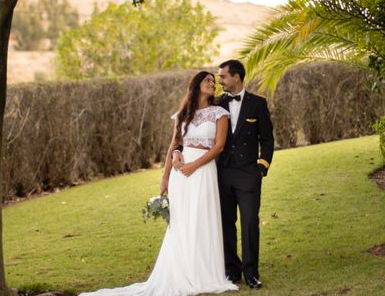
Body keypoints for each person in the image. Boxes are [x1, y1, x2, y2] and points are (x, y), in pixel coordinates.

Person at [81, 71, 238, 296]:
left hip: (203, 172)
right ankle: (181, 271)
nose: (213, 84)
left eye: (214, 81)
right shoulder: (183, 114)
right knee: (182, 223)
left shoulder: (219, 113)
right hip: (179, 176)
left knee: (202, 218)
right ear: (196, 86)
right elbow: (174, 143)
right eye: (208, 81)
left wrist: (195, 165)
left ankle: (204, 274)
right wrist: (165, 176)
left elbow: (219, 146)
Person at [177, 59, 274, 290]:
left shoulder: (258, 104)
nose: (219, 80)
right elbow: (189, 127)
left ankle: (252, 273)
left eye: (223, 76)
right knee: (225, 224)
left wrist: (262, 167)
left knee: (250, 222)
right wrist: (178, 151)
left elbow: (267, 139)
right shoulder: (217, 105)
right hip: (220, 174)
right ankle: (232, 271)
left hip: (249, 175)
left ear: (236, 77)